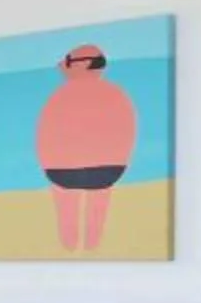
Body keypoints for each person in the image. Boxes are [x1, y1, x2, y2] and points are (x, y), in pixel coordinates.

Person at [35, 43, 138, 252]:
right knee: (97, 207)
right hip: (109, 169)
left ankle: (71, 247)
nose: (61, 65)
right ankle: (91, 248)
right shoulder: (116, 94)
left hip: (61, 170)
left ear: (85, 65)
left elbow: (46, 134)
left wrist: (47, 163)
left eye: (68, 61)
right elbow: (127, 131)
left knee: (67, 210)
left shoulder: (59, 96)